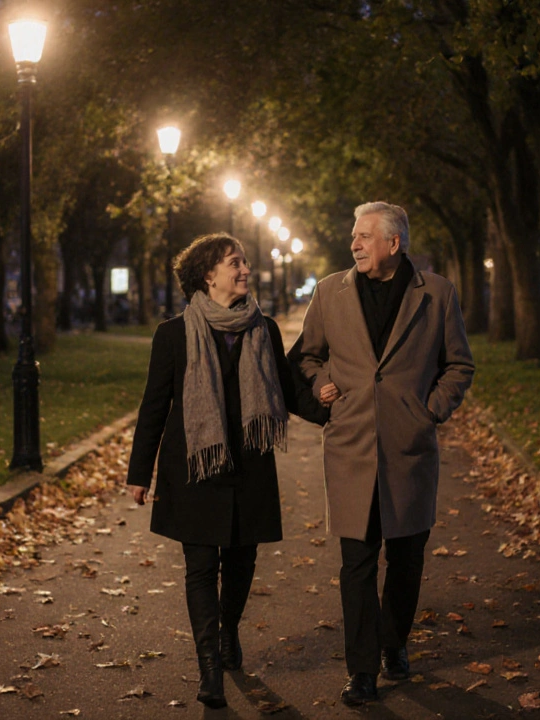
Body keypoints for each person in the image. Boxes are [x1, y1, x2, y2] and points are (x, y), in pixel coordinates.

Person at [294, 202, 474, 706]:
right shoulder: (330, 291)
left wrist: (429, 411)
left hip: (409, 448)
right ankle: (362, 670)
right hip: (351, 447)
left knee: (407, 559)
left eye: (365, 236)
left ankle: (394, 642)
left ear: (394, 243)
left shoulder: (437, 294)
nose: (354, 244)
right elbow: (307, 356)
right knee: (357, 561)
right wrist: (322, 383)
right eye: (354, 236)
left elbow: (459, 365)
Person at [126, 233, 297, 709]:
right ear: (208, 274)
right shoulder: (174, 334)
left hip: (249, 465)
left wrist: (331, 404)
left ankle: (228, 630)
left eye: (244, 262)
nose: (245, 270)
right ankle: (209, 668)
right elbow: (154, 408)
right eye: (234, 263)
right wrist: (139, 474)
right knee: (201, 567)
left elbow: (287, 391)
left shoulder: (264, 328)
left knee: (242, 562)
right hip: (196, 468)